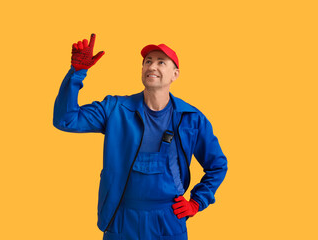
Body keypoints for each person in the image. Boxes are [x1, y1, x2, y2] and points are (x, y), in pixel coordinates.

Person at [53, 33, 228, 240]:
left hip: (169, 219)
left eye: (161, 62)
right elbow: (66, 120)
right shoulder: (115, 109)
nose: (152, 66)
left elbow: (217, 165)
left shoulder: (192, 119)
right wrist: (77, 73)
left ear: (175, 74)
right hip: (121, 217)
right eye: (148, 61)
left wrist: (197, 202)